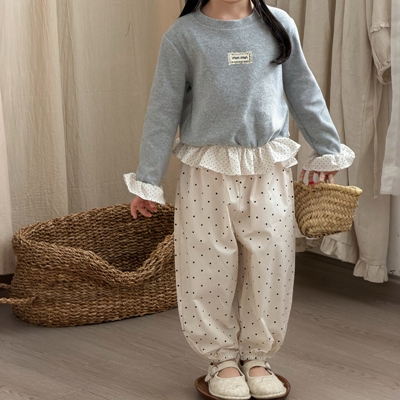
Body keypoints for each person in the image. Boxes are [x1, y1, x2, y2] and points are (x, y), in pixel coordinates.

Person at [124, 1, 354, 399]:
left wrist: (327, 149)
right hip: (206, 169)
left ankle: (258, 357)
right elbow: (163, 109)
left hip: (268, 167)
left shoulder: (278, 24)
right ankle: (222, 360)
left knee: (271, 261)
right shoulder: (184, 35)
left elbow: (303, 90)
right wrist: (147, 180)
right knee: (207, 263)